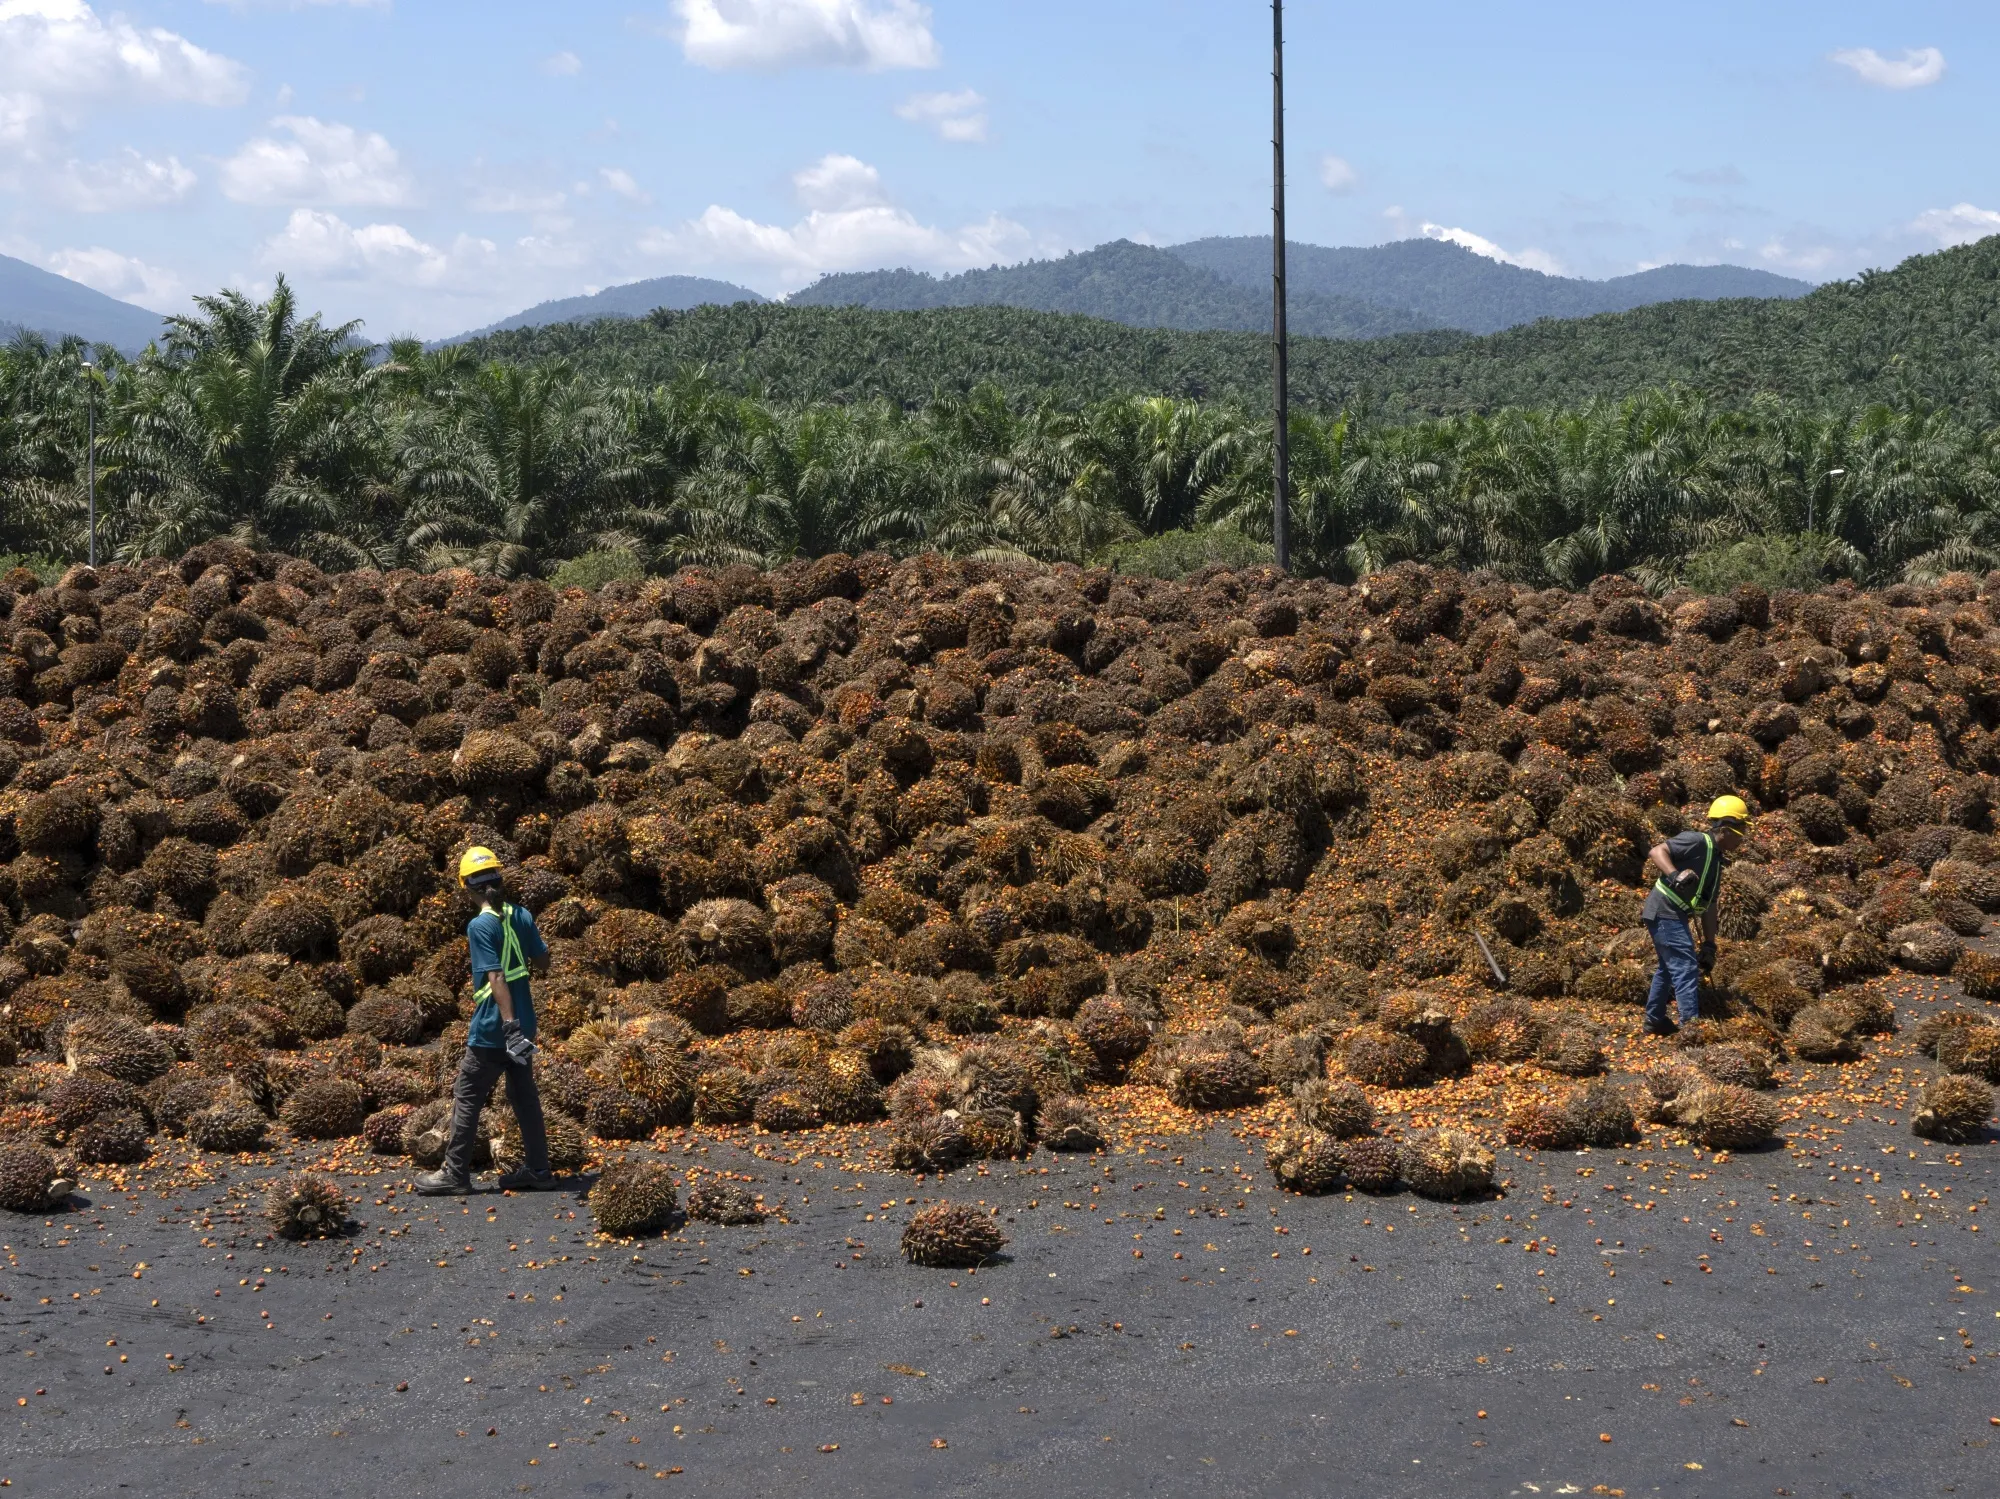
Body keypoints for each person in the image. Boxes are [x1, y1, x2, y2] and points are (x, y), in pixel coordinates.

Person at [414, 846, 560, 1195]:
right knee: (525, 1098)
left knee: (468, 1096)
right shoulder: (521, 915)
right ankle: (539, 1170)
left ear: (467, 887)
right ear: (499, 879)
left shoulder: (480, 925)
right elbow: (544, 962)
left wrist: (507, 1027)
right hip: (525, 1025)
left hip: (496, 1030)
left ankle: (454, 1173)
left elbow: (495, 977)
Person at [1639, 795, 1751, 1036]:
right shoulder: (1696, 841)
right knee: (1686, 967)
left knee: (1669, 968)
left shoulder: (1717, 861)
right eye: (1741, 829)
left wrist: (1710, 944)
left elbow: (1709, 906)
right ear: (1726, 828)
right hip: (1664, 910)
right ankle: (1692, 1031)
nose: (1744, 837)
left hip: (1671, 914)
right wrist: (1674, 875)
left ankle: (1654, 1021)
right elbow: (1657, 851)